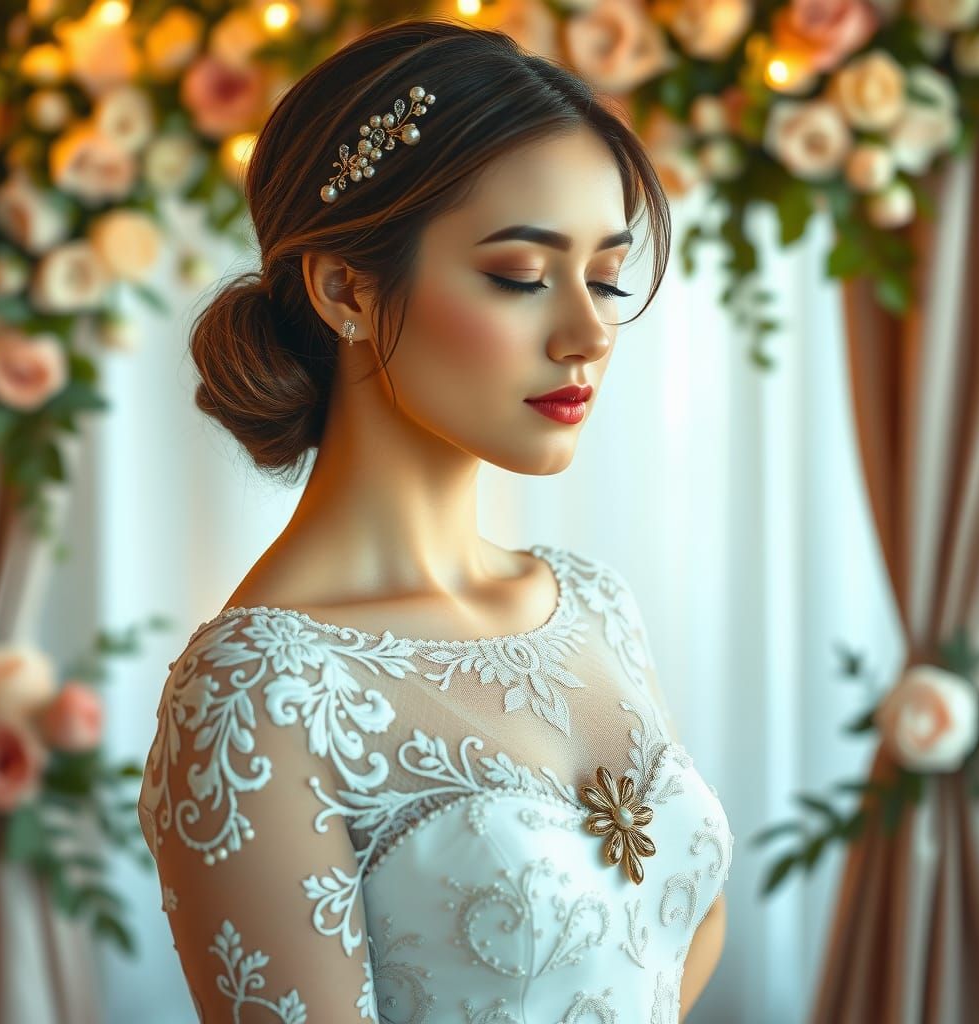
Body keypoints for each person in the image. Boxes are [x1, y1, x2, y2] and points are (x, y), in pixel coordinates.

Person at [137, 16, 732, 1023]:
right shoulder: (258, 694)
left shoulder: (593, 601)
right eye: (520, 276)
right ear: (345, 288)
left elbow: (671, 946)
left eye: (604, 277)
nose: (588, 334)